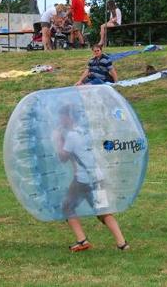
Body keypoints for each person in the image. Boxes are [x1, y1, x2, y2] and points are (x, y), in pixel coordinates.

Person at [53, 105, 129, 252]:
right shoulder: (84, 131)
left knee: (67, 206)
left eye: (62, 116)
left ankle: (82, 241)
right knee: (103, 212)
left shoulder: (72, 136)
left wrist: (57, 140)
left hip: (83, 181)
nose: (60, 120)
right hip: (97, 178)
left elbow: (63, 157)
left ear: (69, 117)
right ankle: (122, 244)